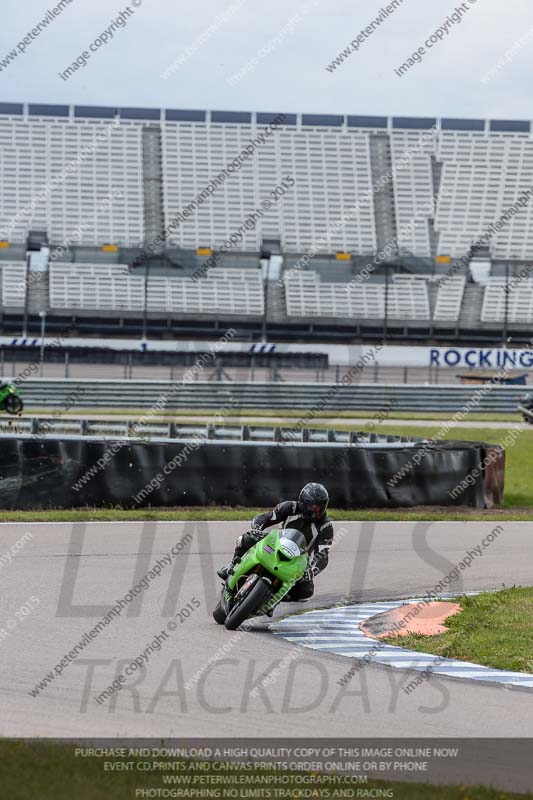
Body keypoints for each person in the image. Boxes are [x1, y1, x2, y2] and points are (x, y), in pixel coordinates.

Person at [217, 482, 333, 601]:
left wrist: (311, 570)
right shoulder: (290, 507)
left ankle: (278, 595)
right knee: (246, 539)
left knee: (306, 591)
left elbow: (323, 554)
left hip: (299, 559)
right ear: (303, 502)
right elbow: (266, 518)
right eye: (313, 507)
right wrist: (257, 528)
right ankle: (231, 566)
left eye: (320, 508)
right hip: (276, 543)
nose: (316, 511)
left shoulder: (325, 526)